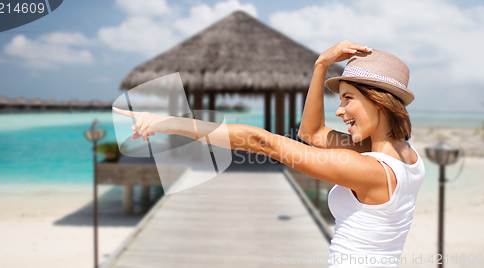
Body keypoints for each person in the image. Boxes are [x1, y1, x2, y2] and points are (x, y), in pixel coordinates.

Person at [113, 40, 425, 267]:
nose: (341, 110)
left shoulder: (368, 170)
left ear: (379, 101)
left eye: (348, 99)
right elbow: (312, 134)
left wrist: (169, 122)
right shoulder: (408, 157)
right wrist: (320, 67)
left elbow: (262, 142)